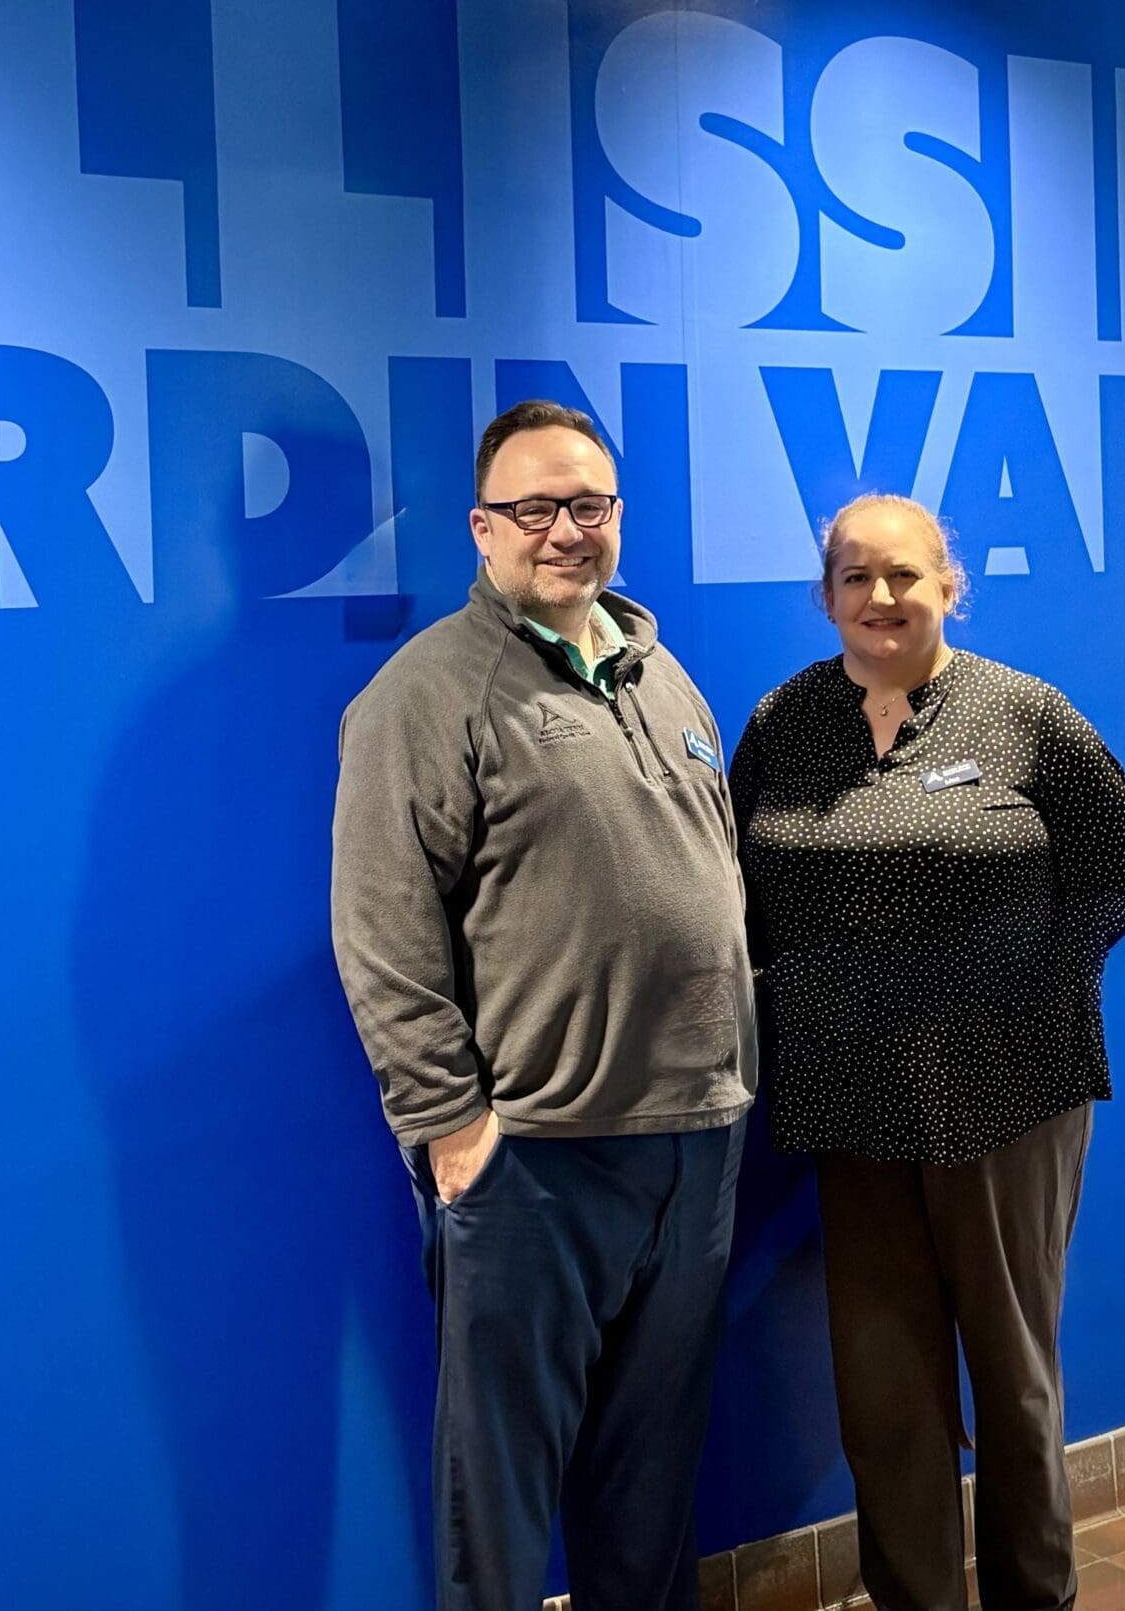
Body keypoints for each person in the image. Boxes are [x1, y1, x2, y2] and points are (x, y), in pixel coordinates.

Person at [331, 400, 755, 1611]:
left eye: (590, 505)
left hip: (695, 1141)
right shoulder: (425, 696)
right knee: (502, 1498)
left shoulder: (656, 667)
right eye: (535, 509)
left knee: (650, 1486)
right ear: (482, 527)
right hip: (535, 1160)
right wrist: (452, 1130)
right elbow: (380, 932)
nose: (566, 530)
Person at [728, 494, 1125, 1611]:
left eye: (904, 575)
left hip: (1008, 1095)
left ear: (946, 586)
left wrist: (1023, 1004)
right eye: (856, 577)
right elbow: (741, 888)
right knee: (883, 1388)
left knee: (1012, 1379)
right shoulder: (783, 721)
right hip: (848, 1101)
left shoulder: (1025, 714)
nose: (880, 598)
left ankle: (1031, 1593)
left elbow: (1114, 877)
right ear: (826, 596)